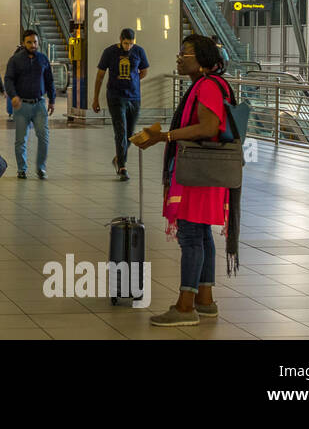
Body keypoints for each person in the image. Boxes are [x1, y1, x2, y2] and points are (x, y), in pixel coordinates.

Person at [135, 35, 233, 328]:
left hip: (198, 173)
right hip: (205, 172)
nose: (179, 58)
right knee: (201, 235)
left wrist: (164, 136)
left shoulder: (207, 86)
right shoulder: (209, 84)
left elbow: (208, 126)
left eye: (184, 53)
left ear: (201, 60)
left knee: (191, 236)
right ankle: (205, 300)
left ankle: (185, 306)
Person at [92, 28, 151, 181]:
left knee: (130, 133)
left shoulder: (139, 51)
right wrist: (95, 98)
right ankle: (122, 166)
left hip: (134, 98)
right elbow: (100, 76)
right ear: (120, 40)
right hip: (116, 97)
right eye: (125, 43)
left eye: (131, 44)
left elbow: (144, 70)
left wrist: (134, 80)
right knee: (121, 131)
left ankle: (118, 157)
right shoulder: (109, 52)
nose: (128, 47)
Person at [4, 30, 55, 180]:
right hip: (21, 106)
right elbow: (8, 79)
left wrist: (52, 100)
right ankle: (21, 169)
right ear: (23, 43)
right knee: (21, 139)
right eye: (29, 42)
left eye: (35, 42)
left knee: (44, 137)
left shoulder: (43, 59)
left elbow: (50, 81)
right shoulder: (15, 60)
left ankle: (41, 168)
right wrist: (13, 96)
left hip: (39, 104)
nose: (33, 45)